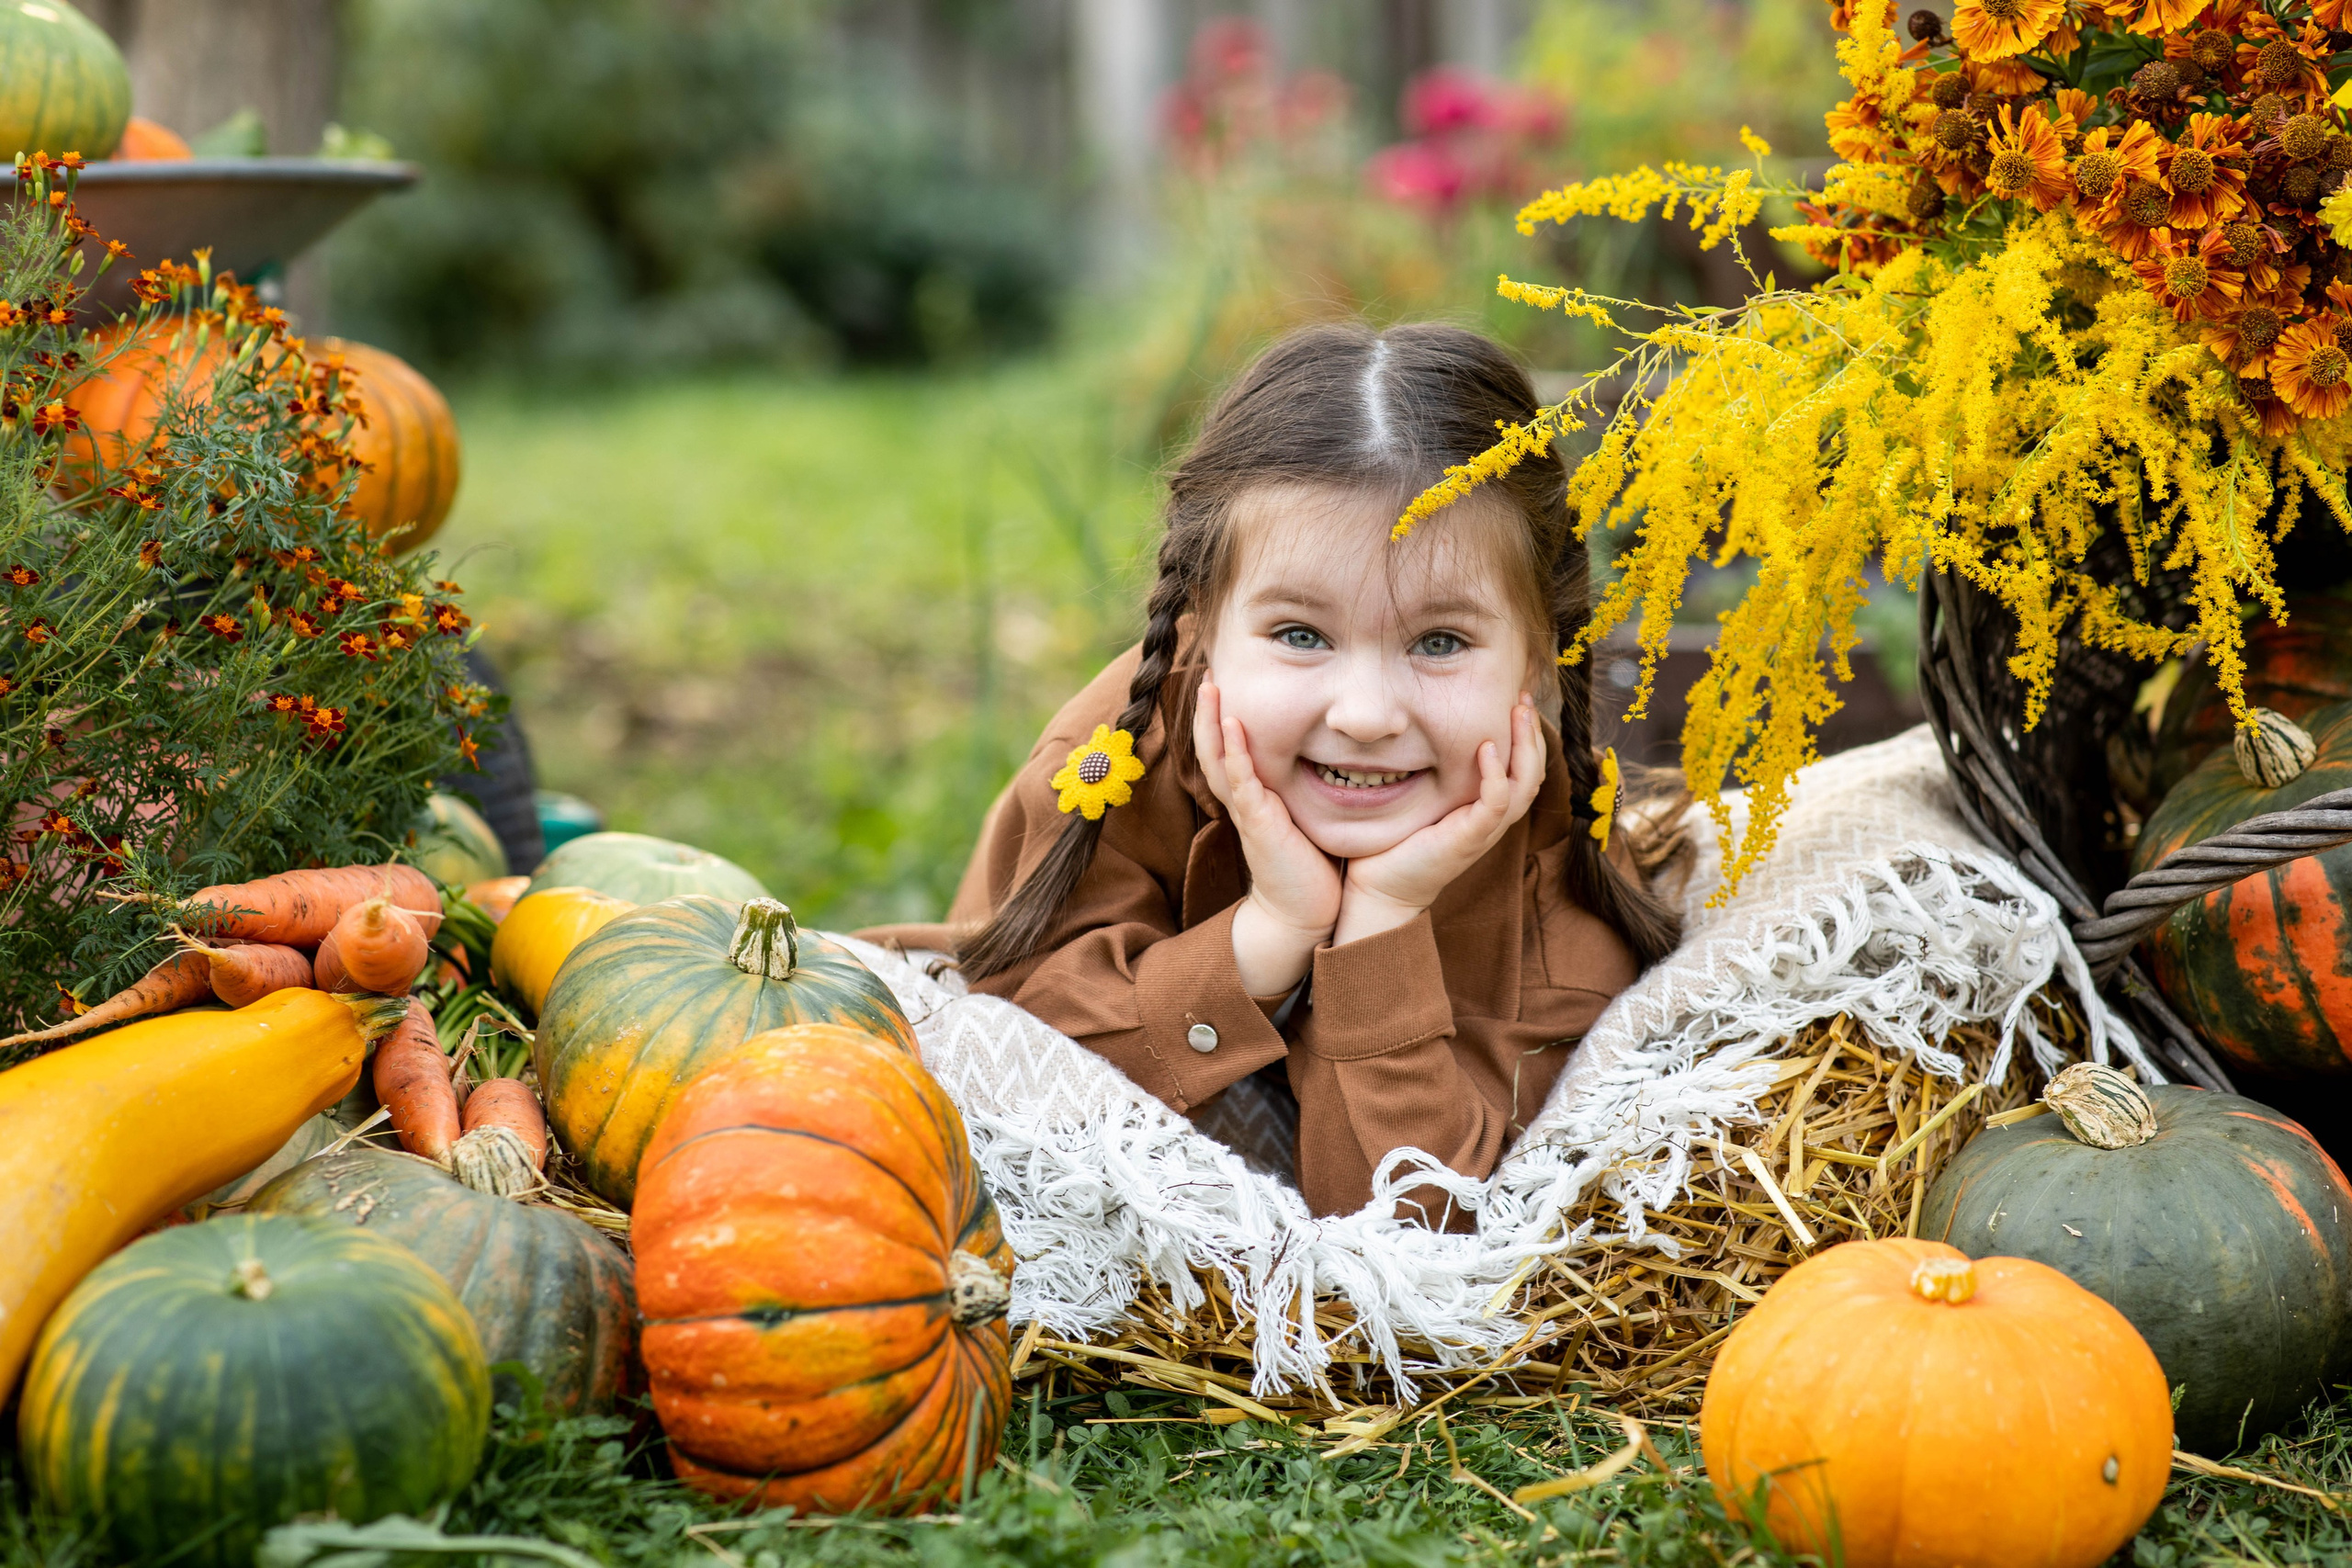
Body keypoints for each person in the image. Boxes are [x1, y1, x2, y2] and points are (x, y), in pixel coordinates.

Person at [862, 322, 1685, 1223]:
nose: (1365, 714)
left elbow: (1422, 1231)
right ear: (1203, 628)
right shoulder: (1110, 768)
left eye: (1440, 642)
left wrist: (1382, 924)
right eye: (1301, 636)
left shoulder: (1560, 914)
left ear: (1535, 658)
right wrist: (1266, 936)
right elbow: (1010, 1063)